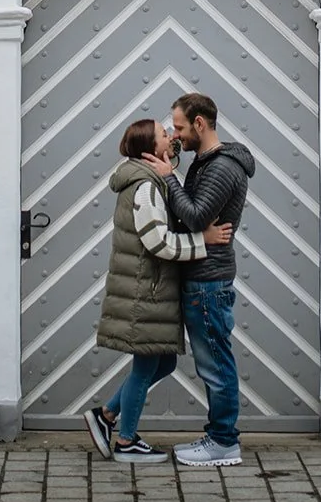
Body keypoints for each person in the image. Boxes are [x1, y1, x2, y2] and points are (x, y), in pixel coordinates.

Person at [83, 117, 232, 465]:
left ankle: (105, 417)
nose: (171, 135)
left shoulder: (149, 178)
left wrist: (171, 172)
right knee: (146, 363)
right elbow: (158, 243)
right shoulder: (146, 187)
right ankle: (126, 440)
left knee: (162, 362)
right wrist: (203, 241)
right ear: (153, 148)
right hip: (146, 291)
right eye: (165, 135)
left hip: (147, 288)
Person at [144, 92, 255, 468]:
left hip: (209, 282)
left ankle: (224, 442)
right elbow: (193, 216)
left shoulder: (222, 168)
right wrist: (172, 163)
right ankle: (219, 437)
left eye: (178, 127)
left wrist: (168, 176)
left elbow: (193, 216)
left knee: (216, 366)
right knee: (213, 363)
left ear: (200, 124)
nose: (175, 134)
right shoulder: (204, 163)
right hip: (200, 278)